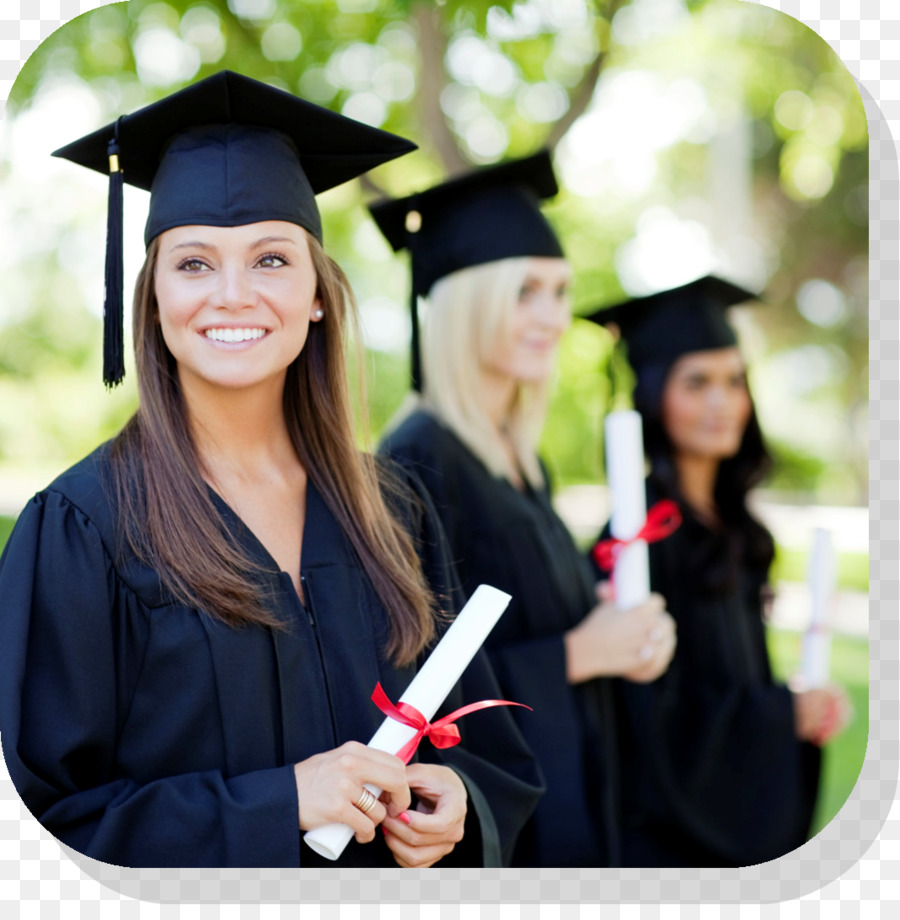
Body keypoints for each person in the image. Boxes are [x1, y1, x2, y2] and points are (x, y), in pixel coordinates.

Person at [0, 70, 543, 869]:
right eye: (193, 264)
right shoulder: (83, 529)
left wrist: (458, 801)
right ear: (151, 298)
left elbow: (485, 752)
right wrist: (278, 804)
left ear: (318, 294)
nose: (232, 295)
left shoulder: (395, 508)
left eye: (271, 259)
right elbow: (39, 829)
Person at [371, 151, 677, 868]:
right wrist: (579, 654)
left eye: (562, 292)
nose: (554, 316)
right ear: (468, 303)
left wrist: (608, 618)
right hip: (493, 820)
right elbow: (408, 680)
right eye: (526, 292)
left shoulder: (522, 459)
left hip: (569, 786)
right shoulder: (416, 462)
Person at [584, 275, 851, 867]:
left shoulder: (733, 527)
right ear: (654, 396)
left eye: (734, 381)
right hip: (667, 842)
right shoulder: (637, 539)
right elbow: (648, 717)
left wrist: (796, 706)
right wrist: (783, 713)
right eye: (696, 382)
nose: (720, 402)